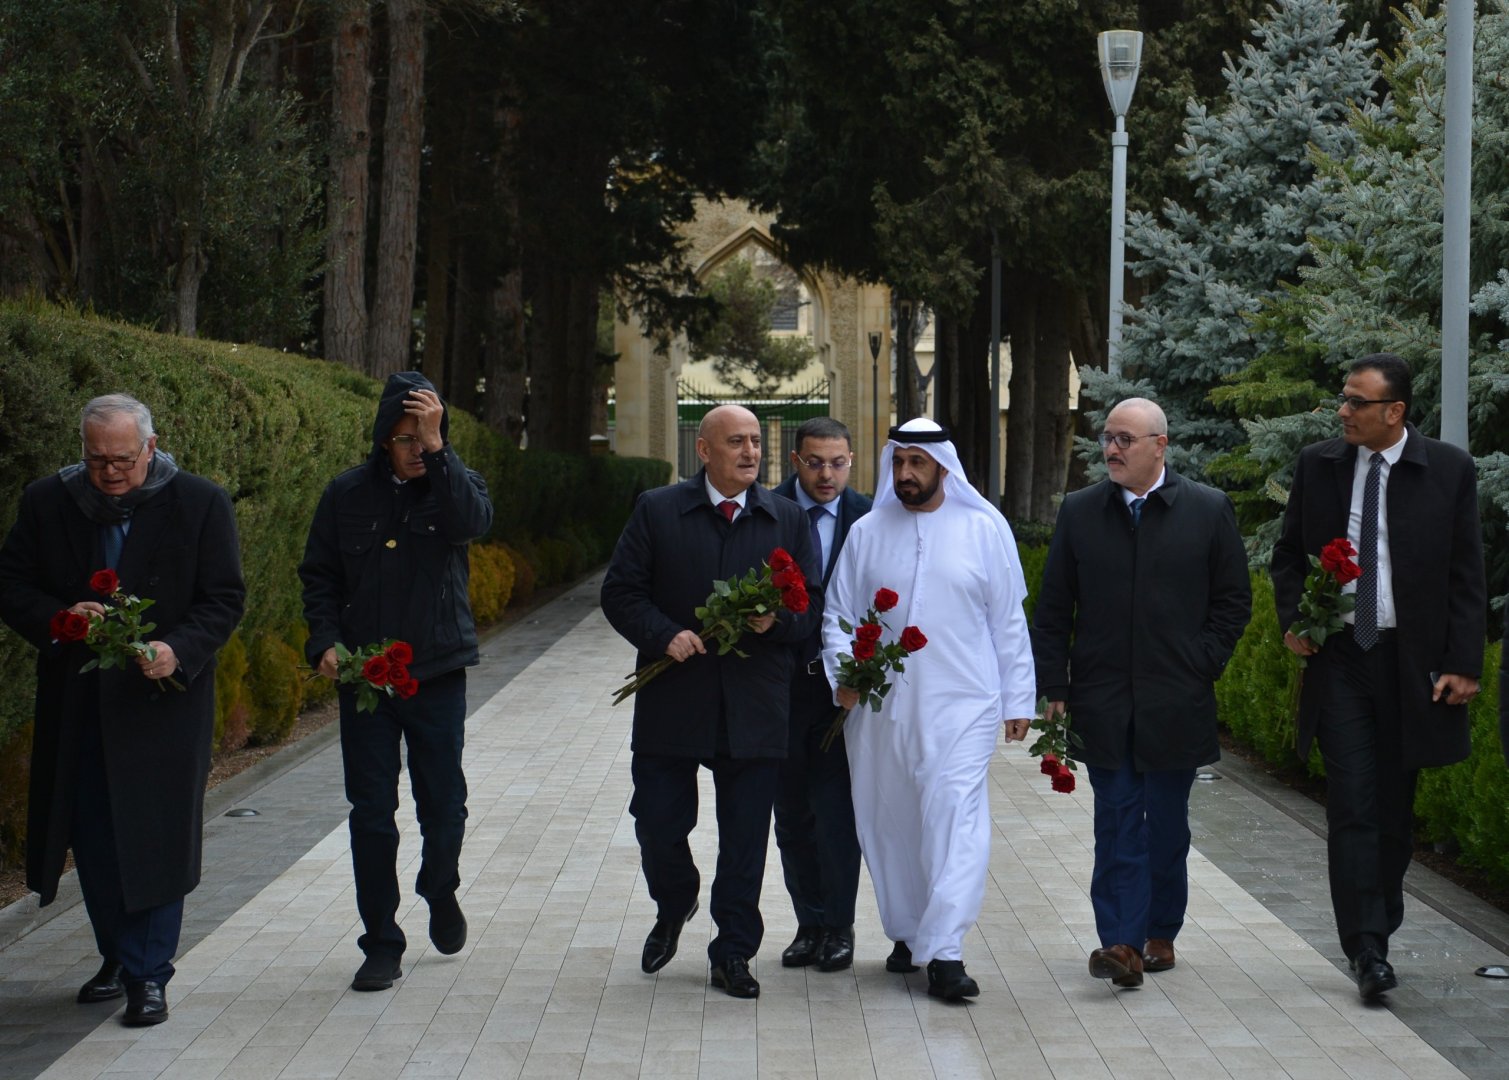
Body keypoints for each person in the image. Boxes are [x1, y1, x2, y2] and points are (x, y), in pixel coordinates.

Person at [0, 394, 245, 1026]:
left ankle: (148, 974)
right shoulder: (48, 501)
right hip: (78, 700)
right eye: (95, 460)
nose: (109, 474)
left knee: (156, 834)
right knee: (94, 835)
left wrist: (176, 648)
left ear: (151, 448)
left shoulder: (199, 502)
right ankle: (118, 953)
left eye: (123, 460)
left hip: (163, 702)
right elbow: (12, 585)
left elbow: (222, 599)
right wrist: (61, 618)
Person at [1271, 353, 1485, 1001]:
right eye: (1342, 398)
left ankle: (1378, 930)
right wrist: (1293, 619)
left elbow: (1464, 577)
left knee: (1392, 810)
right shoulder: (1320, 465)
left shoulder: (1446, 471)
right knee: (1352, 803)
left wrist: (1460, 663)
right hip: (1340, 659)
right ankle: (1365, 947)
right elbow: (1287, 558)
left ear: (1393, 412)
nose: (1342, 411)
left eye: (1356, 402)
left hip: (1409, 664)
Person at [600, 404, 823, 999]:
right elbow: (619, 592)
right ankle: (674, 899)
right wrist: (662, 633)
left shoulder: (787, 520)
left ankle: (733, 953)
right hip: (675, 697)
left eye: (755, 441)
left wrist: (773, 623)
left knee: (745, 838)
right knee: (656, 825)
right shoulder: (658, 510)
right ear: (704, 451)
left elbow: (812, 611)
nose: (750, 452)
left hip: (755, 706)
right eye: (735, 442)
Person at [1033, 398, 1251, 989]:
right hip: (1103, 700)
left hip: (1176, 701)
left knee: (1167, 827)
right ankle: (1122, 943)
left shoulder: (1206, 509)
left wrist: (1201, 661)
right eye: (1107, 438)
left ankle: (1160, 930)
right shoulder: (1081, 512)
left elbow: (1234, 600)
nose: (1111, 449)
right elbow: (1054, 606)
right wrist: (1054, 682)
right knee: (1117, 821)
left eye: (1125, 439)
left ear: (1160, 444)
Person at [821, 418, 1035, 1001]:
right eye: (899, 463)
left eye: (918, 463)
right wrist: (844, 675)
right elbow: (840, 614)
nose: (907, 474)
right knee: (890, 821)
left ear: (944, 466)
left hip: (963, 703)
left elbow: (1007, 623)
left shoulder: (983, 528)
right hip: (880, 709)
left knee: (953, 815)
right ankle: (908, 930)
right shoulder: (867, 531)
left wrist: (1019, 699)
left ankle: (945, 951)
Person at [300, 371, 494, 993]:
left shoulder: (454, 486)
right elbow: (320, 577)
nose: (416, 447)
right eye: (406, 437)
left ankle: (440, 886)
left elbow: (473, 522)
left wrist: (442, 452)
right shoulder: (346, 494)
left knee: (444, 805)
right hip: (366, 681)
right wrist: (324, 640)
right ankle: (381, 940)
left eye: (427, 435)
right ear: (385, 438)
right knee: (372, 813)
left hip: (436, 674)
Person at [770, 417, 871, 973]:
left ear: (851, 461)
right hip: (781, 688)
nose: (826, 474)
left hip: (845, 693)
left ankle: (839, 926)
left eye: (837, 462)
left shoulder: (873, 516)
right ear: (795, 461)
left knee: (836, 814)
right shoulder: (769, 511)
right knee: (791, 814)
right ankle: (807, 924)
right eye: (815, 462)